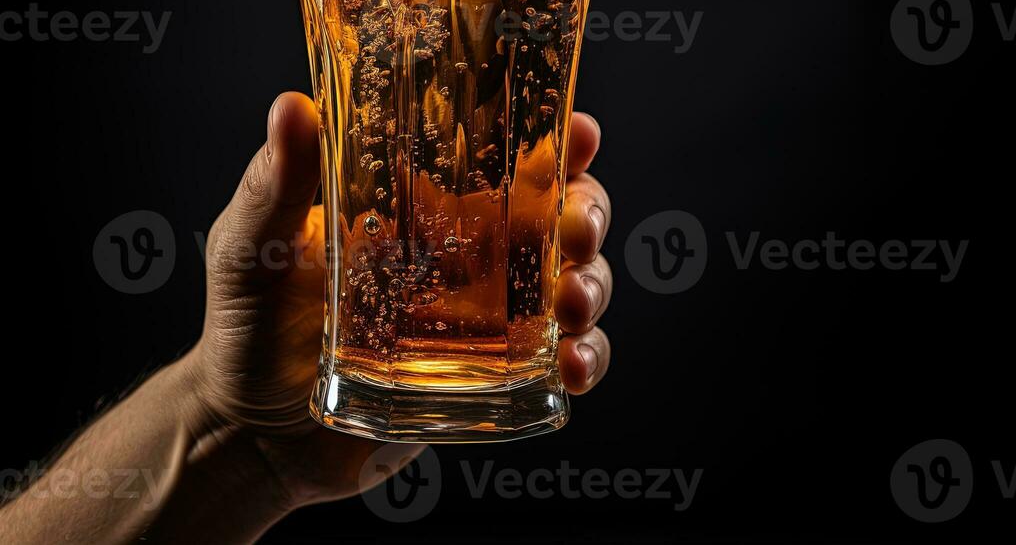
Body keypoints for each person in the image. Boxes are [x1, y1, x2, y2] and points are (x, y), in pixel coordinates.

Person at [2, 93, 614, 542]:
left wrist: (239, 439)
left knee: (565, 218)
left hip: (329, 401)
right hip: (332, 382)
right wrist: (237, 429)